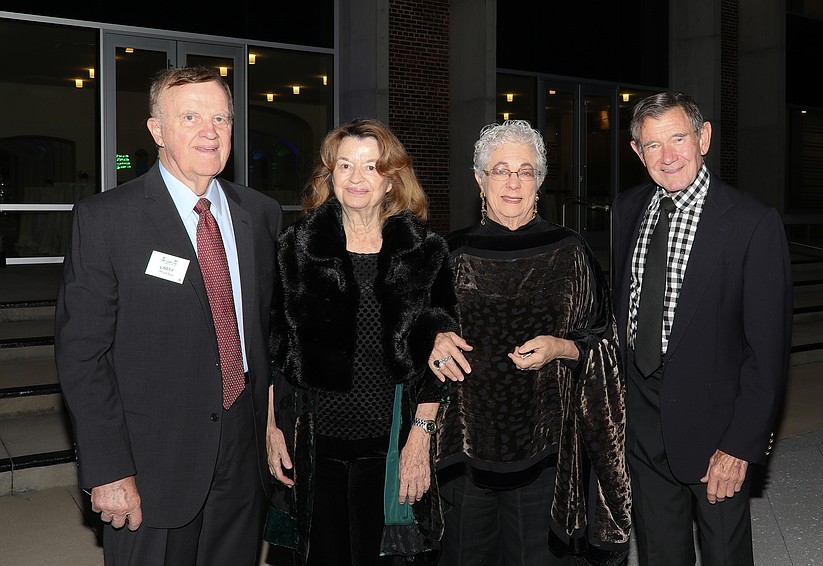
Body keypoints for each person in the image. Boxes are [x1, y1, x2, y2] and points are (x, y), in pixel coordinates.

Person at [55, 66, 284, 566]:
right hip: (152, 461)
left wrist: (271, 422)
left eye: (220, 118)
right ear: (157, 130)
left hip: (243, 451)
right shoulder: (106, 219)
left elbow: (267, 333)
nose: (210, 131)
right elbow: (83, 357)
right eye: (190, 117)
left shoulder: (260, 214)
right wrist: (109, 469)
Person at [430, 120, 631, 566]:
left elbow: (605, 343)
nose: (513, 182)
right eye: (501, 170)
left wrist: (560, 347)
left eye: (525, 171)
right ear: (479, 178)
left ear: (540, 180)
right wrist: (431, 338)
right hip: (463, 448)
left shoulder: (570, 251)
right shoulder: (449, 254)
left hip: (546, 449)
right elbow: (415, 332)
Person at [264, 118, 459, 565]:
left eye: (371, 167)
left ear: (391, 180)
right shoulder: (297, 247)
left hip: (391, 443)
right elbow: (275, 346)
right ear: (330, 175)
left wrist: (421, 437)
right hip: (311, 441)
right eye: (345, 165)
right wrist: (271, 427)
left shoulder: (425, 251)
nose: (356, 178)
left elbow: (442, 359)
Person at [611, 91, 792, 565]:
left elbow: (767, 352)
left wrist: (739, 445)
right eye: (653, 145)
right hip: (641, 423)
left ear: (703, 138)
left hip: (716, 430)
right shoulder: (627, 209)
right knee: (659, 552)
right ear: (637, 152)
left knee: (724, 554)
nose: (667, 156)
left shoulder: (752, 222)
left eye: (678, 138)